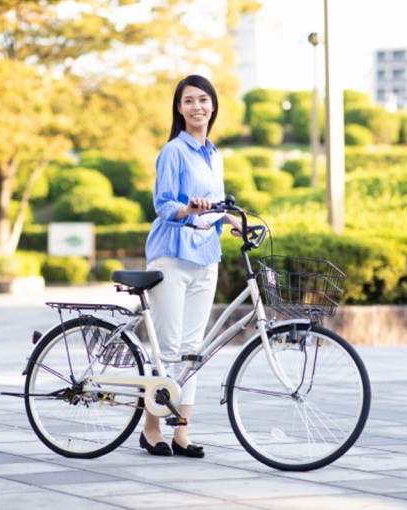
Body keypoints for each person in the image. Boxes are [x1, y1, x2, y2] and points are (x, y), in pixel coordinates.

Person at [141, 75, 242, 458]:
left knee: (193, 351)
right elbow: (164, 205)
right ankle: (151, 429)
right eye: (189, 101)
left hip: (206, 258)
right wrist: (188, 209)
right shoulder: (173, 152)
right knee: (167, 350)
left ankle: (180, 431)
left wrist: (231, 221)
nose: (197, 107)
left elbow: (214, 207)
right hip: (172, 257)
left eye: (204, 100)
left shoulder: (214, 155)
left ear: (213, 106)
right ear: (179, 109)